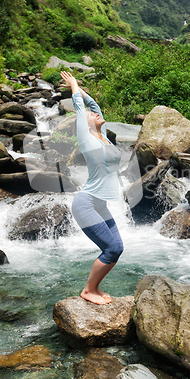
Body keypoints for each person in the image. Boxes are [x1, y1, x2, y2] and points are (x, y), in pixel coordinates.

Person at [60, 71, 123, 305]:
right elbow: (80, 107)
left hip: (99, 204)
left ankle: (94, 288)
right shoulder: (87, 138)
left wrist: (84, 94)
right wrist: (74, 86)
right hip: (85, 204)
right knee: (111, 247)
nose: (95, 114)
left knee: (117, 249)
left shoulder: (103, 136)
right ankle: (88, 290)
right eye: (90, 115)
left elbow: (92, 104)